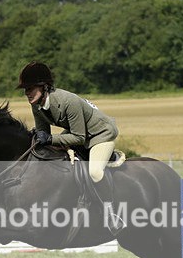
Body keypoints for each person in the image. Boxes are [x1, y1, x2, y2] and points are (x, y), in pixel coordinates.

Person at [17, 61, 125, 234]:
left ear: (44, 87)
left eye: (30, 88)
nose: (26, 93)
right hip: (78, 133)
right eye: (25, 89)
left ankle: (111, 214)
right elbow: (43, 133)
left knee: (95, 172)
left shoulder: (68, 101)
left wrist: (51, 139)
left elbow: (79, 138)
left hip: (99, 134)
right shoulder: (37, 105)